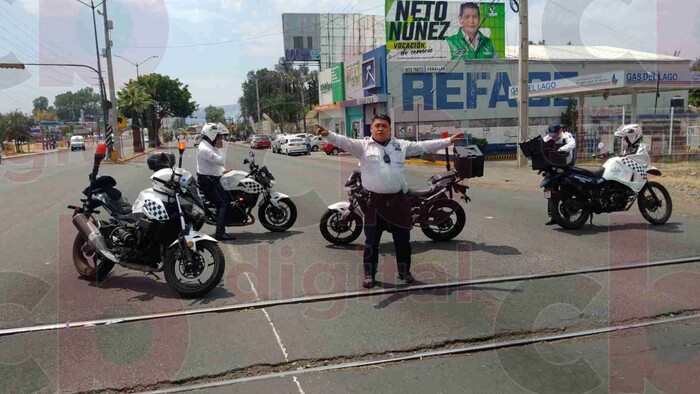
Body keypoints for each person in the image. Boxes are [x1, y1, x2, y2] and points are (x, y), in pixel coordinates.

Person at [317, 114, 464, 289]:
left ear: (389, 129)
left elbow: (424, 146)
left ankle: (404, 272)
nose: (380, 129)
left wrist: (448, 141)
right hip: (373, 202)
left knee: (402, 240)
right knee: (371, 242)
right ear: (371, 129)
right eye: (377, 125)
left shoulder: (400, 145)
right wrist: (328, 135)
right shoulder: (362, 146)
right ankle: (369, 275)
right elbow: (344, 141)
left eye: (384, 126)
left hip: (398, 201)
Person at [196, 123, 235, 241]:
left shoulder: (208, 145)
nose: (220, 138)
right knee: (224, 203)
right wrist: (221, 147)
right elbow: (220, 161)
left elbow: (214, 166)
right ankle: (220, 233)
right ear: (212, 135)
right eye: (218, 136)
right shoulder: (205, 148)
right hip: (209, 181)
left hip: (212, 177)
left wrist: (224, 171)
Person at [543, 124, 577, 225]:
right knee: (549, 191)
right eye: (551, 134)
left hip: (566, 166)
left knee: (566, 190)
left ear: (560, 130)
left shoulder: (567, 136)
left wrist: (561, 150)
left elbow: (572, 144)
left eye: (555, 134)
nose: (553, 137)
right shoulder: (549, 137)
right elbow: (541, 143)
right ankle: (552, 216)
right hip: (553, 166)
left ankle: (567, 215)